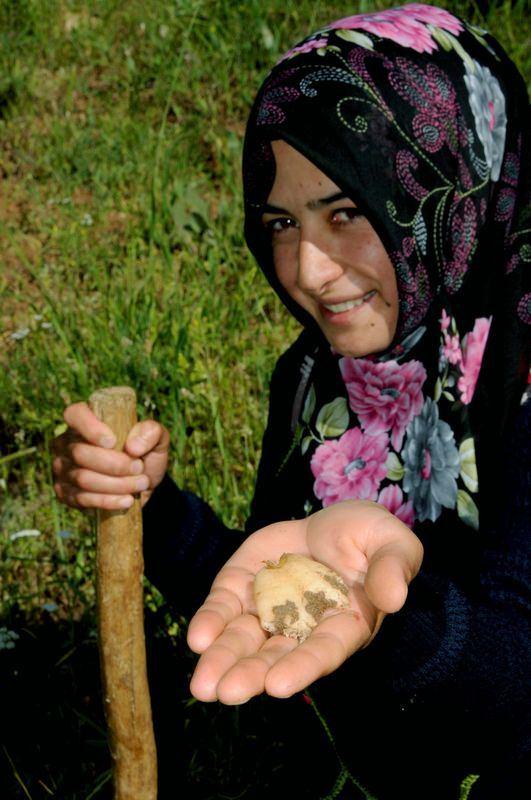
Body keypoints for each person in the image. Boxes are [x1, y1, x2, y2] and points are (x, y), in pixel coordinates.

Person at [52, 4, 530, 798]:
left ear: (454, 188)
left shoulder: (517, 393)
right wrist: (146, 505)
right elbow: (265, 587)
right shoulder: (321, 380)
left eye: (346, 213)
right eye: (280, 222)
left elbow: (515, 700)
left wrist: (391, 615)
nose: (307, 271)